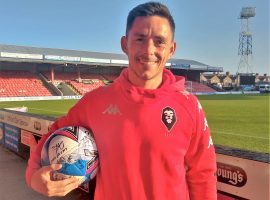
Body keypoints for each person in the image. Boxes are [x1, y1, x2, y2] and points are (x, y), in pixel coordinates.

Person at [26, 2, 217, 199]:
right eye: (140, 39)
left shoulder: (189, 106)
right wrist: (33, 176)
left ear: (171, 49)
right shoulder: (96, 102)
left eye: (159, 41)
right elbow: (53, 133)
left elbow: (202, 175)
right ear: (125, 44)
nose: (149, 50)